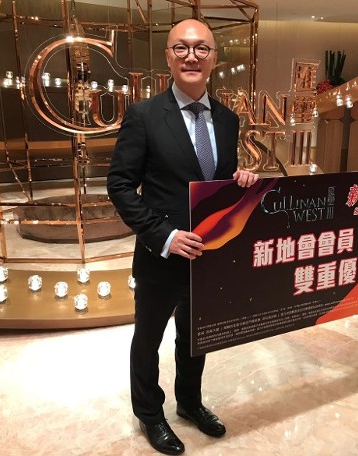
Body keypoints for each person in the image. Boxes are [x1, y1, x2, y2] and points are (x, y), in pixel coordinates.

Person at [107, 19, 258, 455]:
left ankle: (190, 402)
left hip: (209, 255)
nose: (192, 56)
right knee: (148, 338)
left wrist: (240, 180)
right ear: (168, 57)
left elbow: (214, 181)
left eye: (201, 48)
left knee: (196, 334)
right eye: (181, 47)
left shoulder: (227, 119)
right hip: (161, 254)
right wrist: (165, 235)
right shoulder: (144, 116)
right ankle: (150, 415)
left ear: (214, 58)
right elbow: (119, 185)